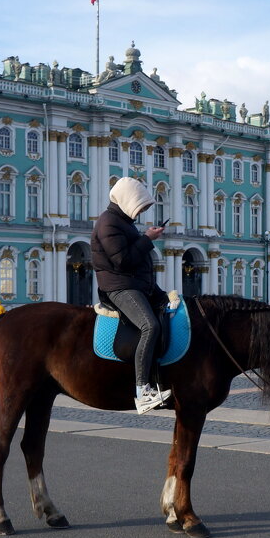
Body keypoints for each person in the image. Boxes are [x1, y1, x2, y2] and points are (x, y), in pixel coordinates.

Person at [91, 177, 172, 413]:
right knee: (150, 326)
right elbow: (123, 261)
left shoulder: (123, 222)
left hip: (137, 285)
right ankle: (142, 391)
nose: (141, 212)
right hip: (119, 287)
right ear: (128, 201)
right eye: (141, 207)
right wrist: (147, 239)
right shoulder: (108, 223)